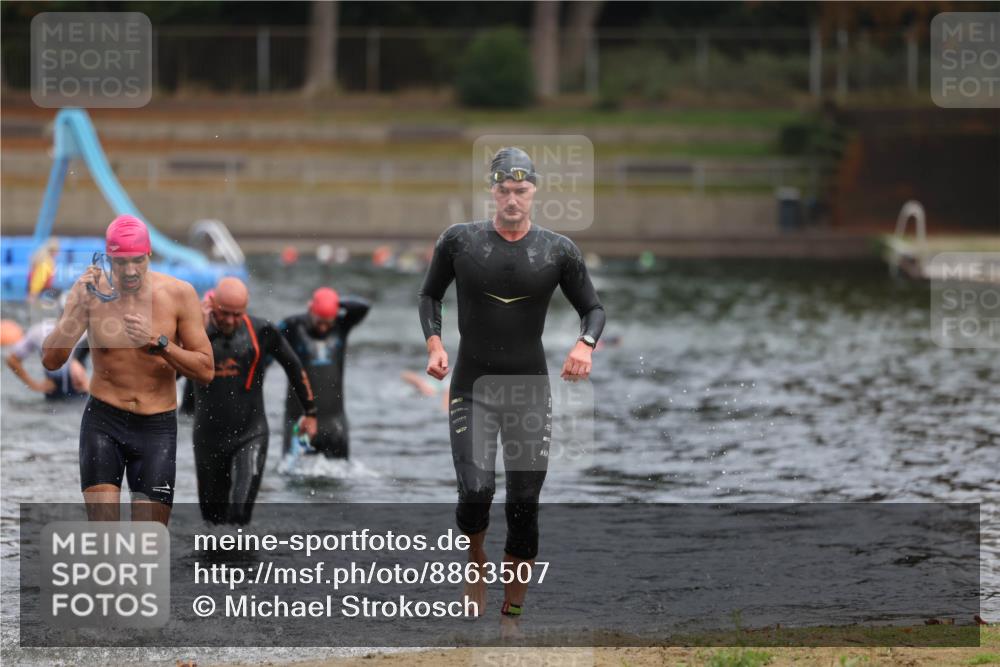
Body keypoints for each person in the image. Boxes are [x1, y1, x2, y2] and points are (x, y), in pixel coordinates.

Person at [417, 147, 605, 620]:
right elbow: (429, 294)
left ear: (534, 192)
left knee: (524, 500)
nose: (513, 200)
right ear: (493, 191)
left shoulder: (557, 250)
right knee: (477, 489)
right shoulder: (460, 242)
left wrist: (584, 344)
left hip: (529, 389)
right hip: (472, 386)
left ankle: (512, 614)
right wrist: (434, 344)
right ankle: (476, 560)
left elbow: (594, 309)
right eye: (504, 190)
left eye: (521, 191)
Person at [42, 215, 215, 524]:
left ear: (149, 255)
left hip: (156, 429)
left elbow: (205, 370)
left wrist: (160, 343)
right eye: (121, 263)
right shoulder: (91, 293)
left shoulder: (179, 294)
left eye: (137, 260)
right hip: (103, 423)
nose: (130, 270)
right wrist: (76, 309)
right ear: (109, 259)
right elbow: (51, 361)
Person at [192, 277, 317, 525]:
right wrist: (198, 330)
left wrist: (310, 412)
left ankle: (244, 564)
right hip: (208, 439)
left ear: (246, 309)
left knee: (239, 515)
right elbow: (168, 373)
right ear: (212, 304)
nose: (230, 321)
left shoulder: (262, 332)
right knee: (212, 522)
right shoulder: (195, 333)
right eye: (225, 313)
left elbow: (294, 367)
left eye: (237, 315)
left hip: (250, 435)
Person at [277, 287, 370, 459]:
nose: (323, 327)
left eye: (328, 321)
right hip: (299, 420)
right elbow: (265, 349)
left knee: (340, 475)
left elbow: (364, 307)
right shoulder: (292, 326)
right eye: (319, 321)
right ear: (310, 309)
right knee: (291, 476)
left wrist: (334, 303)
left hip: (334, 422)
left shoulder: (342, 325)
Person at [6, 318, 89, 400]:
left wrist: (91, 386)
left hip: (80, 396)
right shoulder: (39, 332)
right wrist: (34, 385)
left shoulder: (88, 332)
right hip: (52, 398)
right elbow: (12, 360)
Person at [27, 238, 59, 303]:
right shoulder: (46, 262)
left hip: (40, 290)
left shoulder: (45, 260)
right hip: (40, 291)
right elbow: (38, 279)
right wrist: (33, 294)